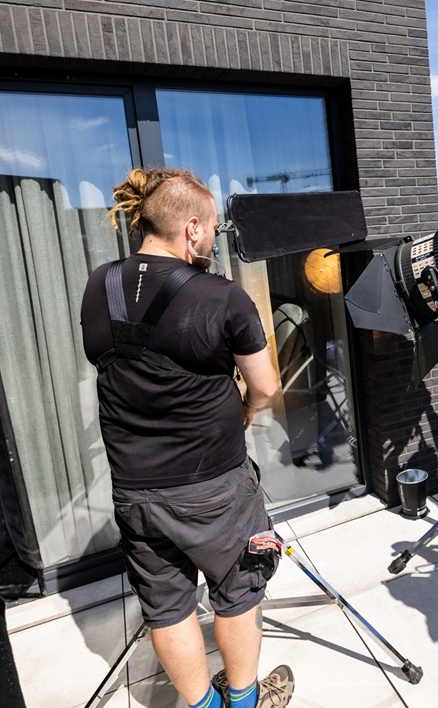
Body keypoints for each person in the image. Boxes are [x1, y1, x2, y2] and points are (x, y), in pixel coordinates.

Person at [80, 168, 294, 708]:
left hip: (135, 490)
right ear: (191, 227)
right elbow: (267, 386)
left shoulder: (98, 285)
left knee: (167, 606)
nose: (214, 242)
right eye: (215, 231)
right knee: (238, 591)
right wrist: (246, 407)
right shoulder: (222, 297)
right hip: (213, 487)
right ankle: (243, 703)